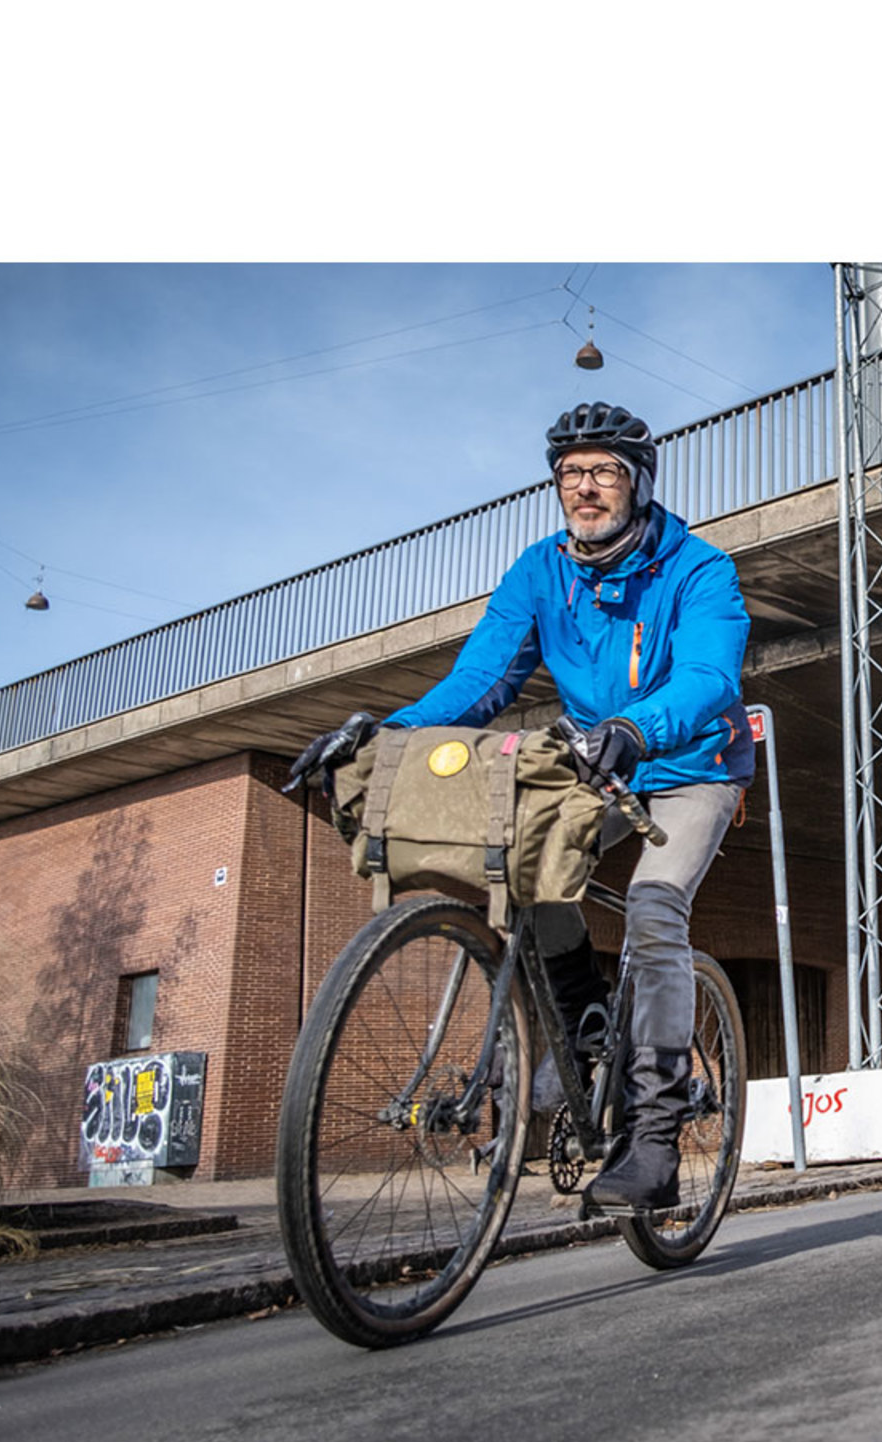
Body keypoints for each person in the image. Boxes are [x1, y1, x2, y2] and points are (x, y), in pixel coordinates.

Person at [287, 402, 753, 1213]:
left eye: (604, 471)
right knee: (527, 877)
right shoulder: (540, 571)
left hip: (689, 763)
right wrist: (384, 733)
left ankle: (654, 1131)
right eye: (570, 474)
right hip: (594, 760)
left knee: (653, 904)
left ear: (639, 484)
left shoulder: (699, 569)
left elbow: (708, 676)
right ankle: (585, 1027)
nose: (585, 488)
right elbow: (481, 680)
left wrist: (635, 727)